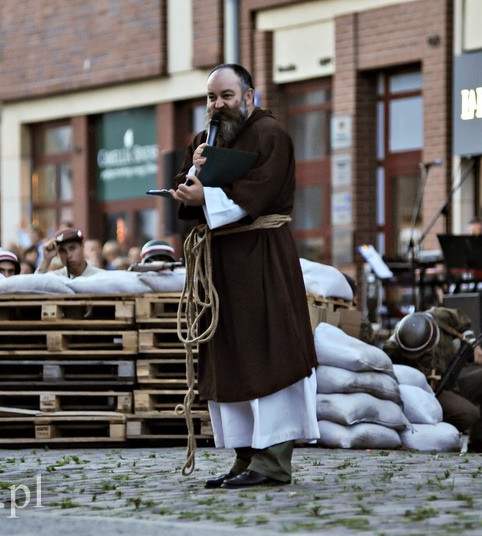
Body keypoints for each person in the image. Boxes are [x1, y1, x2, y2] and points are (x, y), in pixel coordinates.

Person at [171, 63, 319, 489]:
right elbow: (187, 191)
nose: (217, 106)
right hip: (221, 267)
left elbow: (260, 191)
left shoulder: (271, 134)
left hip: (262, 259)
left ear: (249, 97)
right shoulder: (204, 140)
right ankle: (245, 455)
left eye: (227, 96)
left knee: (268, 351)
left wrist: (206, 195)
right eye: (211, 98)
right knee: (231, 357)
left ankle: (273, 461)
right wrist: (190, 178)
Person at [383, 306, 482, 452]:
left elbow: (462, 321)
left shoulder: (439, 316)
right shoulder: (395, 346)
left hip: (452, 384)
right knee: (468, 414)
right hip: (430, 396)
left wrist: (473, 344)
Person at [36, 228, 104, 279]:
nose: (68, 255)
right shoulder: (57, 277)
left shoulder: (100, 276)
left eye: (72, 248)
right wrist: (46, 260)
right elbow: (35, 288)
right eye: (62, 251)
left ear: (82, 246)